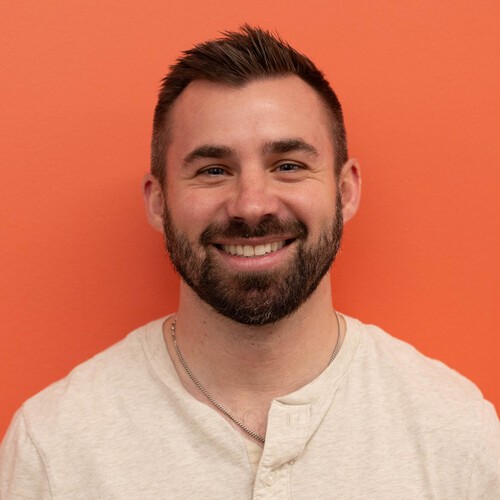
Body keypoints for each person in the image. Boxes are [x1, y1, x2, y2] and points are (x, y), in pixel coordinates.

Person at [0, 25, 498, 499]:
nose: (252, 205)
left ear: (345, 191)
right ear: (158, 202)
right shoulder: (55, 447)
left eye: (289, 166)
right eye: (213, 170)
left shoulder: (457, 435)